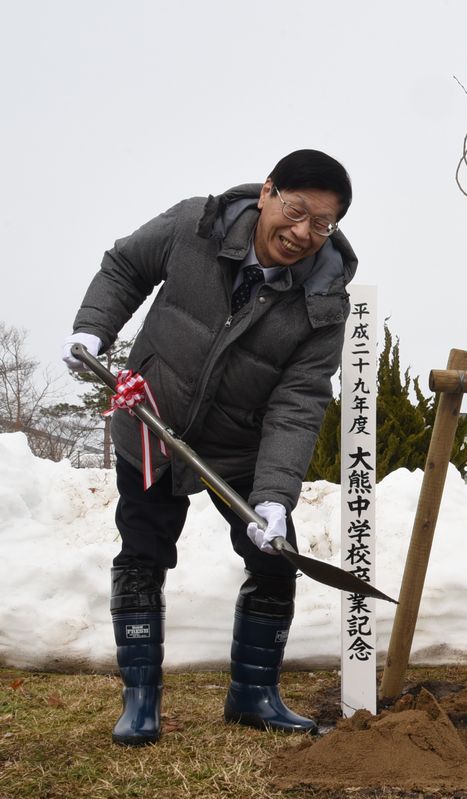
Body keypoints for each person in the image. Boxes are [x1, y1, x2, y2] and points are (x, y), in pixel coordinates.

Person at [61, 149, 356, 746]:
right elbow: (123, 267)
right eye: (296, 211)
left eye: (321, 224)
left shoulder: (323, 302)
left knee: (276, 560)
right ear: (269, 191)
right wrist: (95, 325)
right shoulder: (195, 225)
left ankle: (254, 696)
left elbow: (298, 404)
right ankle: (139, 701)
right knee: (143, 553)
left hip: (241, 446)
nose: (303, 233)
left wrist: (274, 497)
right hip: (151, 419)